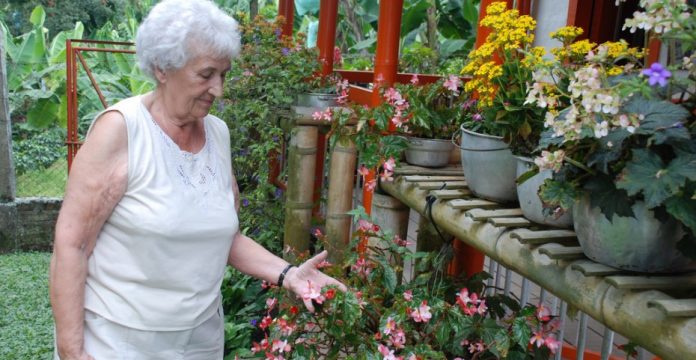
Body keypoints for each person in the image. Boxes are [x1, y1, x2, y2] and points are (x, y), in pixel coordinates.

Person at [49, 1, 345, 359]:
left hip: (200, 339)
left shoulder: (217, 134)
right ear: (162, 68)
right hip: (121, 341)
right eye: (206, 75)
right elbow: (72, 245)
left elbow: (225, 236)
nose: (217, 89)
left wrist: (289, 275)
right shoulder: (121, 131)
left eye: (224, 74)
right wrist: (71, 351)